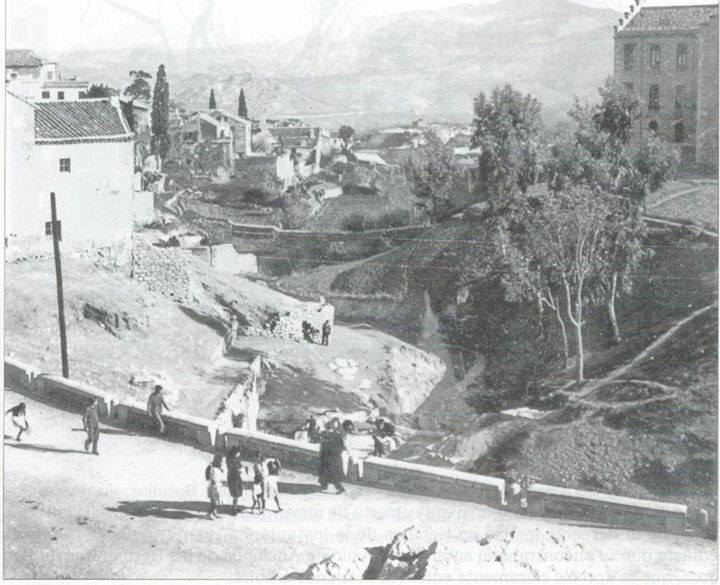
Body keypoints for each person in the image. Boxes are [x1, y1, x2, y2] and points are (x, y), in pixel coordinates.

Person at [318, 423, 346, 494]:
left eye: (330, 429)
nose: (328, 430)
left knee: (333, 474)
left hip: (334, 458)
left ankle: (340, 488)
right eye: (327, 428)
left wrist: (332, 451)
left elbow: (341, 448)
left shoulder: (337, 436)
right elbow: (321, 445)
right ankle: (324, 486)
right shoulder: (324, 435)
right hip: (325, 457)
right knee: (323, 473)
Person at [226, 447, 245, 515]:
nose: (239, 454)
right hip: (233, 477)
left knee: (237, 492)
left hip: (237, 476)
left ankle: (235, 507)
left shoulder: (236, 459)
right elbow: (231, 468)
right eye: (238, 453)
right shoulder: (230, 459)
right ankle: (234, 509)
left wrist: (242, 467)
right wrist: (238, 470)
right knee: (235, 493)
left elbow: (239, 465)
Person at [206, 453, 224, 519]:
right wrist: (213, 480)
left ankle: (215, 513)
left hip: (218, 486)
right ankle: (209, 514)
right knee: (214, 502)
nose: (221, 462)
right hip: (213, 486)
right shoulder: (211, 467)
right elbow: (208, 477)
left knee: (216, 501)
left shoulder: (220, 467)